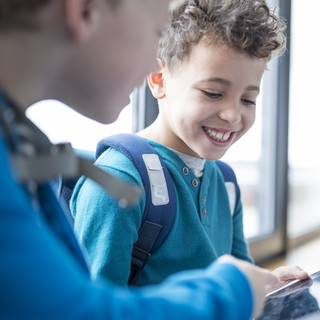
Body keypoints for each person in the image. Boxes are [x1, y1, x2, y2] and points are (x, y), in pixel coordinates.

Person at [0, 0, 285, 318]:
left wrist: (263, 287)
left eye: (248, 99)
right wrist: (234, 291)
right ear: (83, 11)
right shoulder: (119, 176)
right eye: (156, 30)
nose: (155, 59)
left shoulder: (17, 146)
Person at [70, 0, 307, 288]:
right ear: (159, 80)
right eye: (213, 93)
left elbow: (238, 282)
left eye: (248, 99)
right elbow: (98, 309)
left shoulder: (226, 184)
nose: (233, 115)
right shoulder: (118, 182)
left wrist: (268, 285)